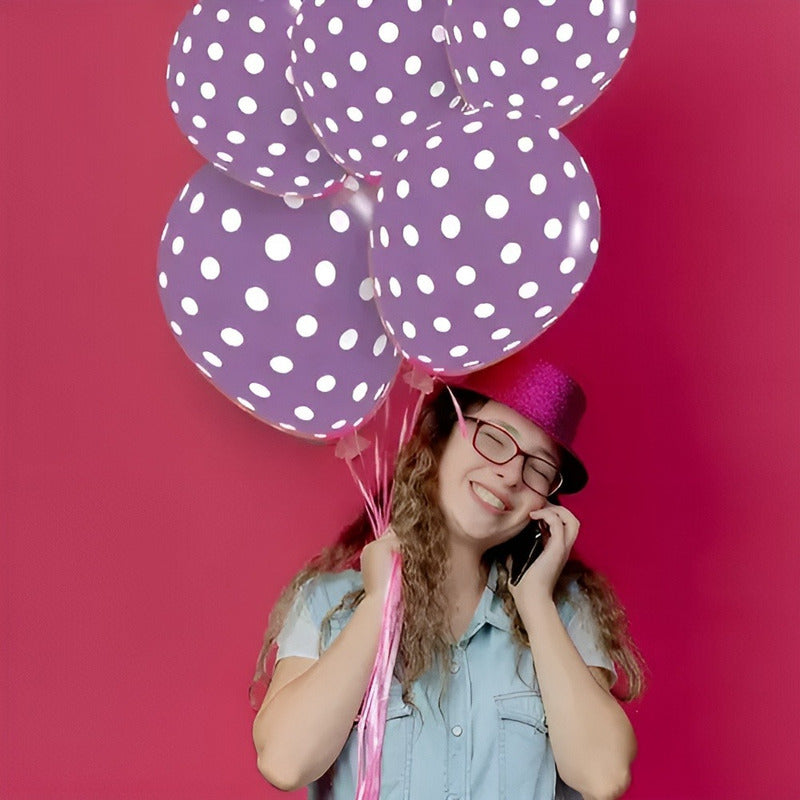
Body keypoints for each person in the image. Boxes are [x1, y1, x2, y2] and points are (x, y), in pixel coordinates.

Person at [250, 354, 645, 800]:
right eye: (494, 439)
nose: (511, 474)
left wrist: (536, 602)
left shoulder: (565, 612)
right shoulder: (328, 603)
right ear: (440, 438)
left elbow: (603, 776)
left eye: (539, 468)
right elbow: (284, 762)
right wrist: (380, 603)